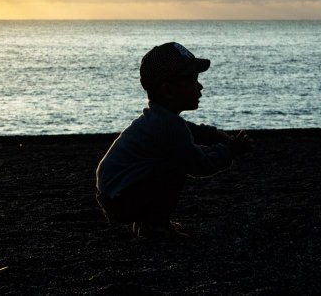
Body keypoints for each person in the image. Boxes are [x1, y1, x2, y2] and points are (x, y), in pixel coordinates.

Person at [96, 41, 252, 238]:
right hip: (121, 199)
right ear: (168, 90)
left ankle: (148, 222)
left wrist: (215, 136)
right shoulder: (168, 125)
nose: (200, 86)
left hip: (114, 194)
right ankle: (154, 226)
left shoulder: (160, 119)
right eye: (193, 81)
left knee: (168, 162)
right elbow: (199, 164)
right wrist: (230, 150)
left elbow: (193, 131)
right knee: (176, 165)